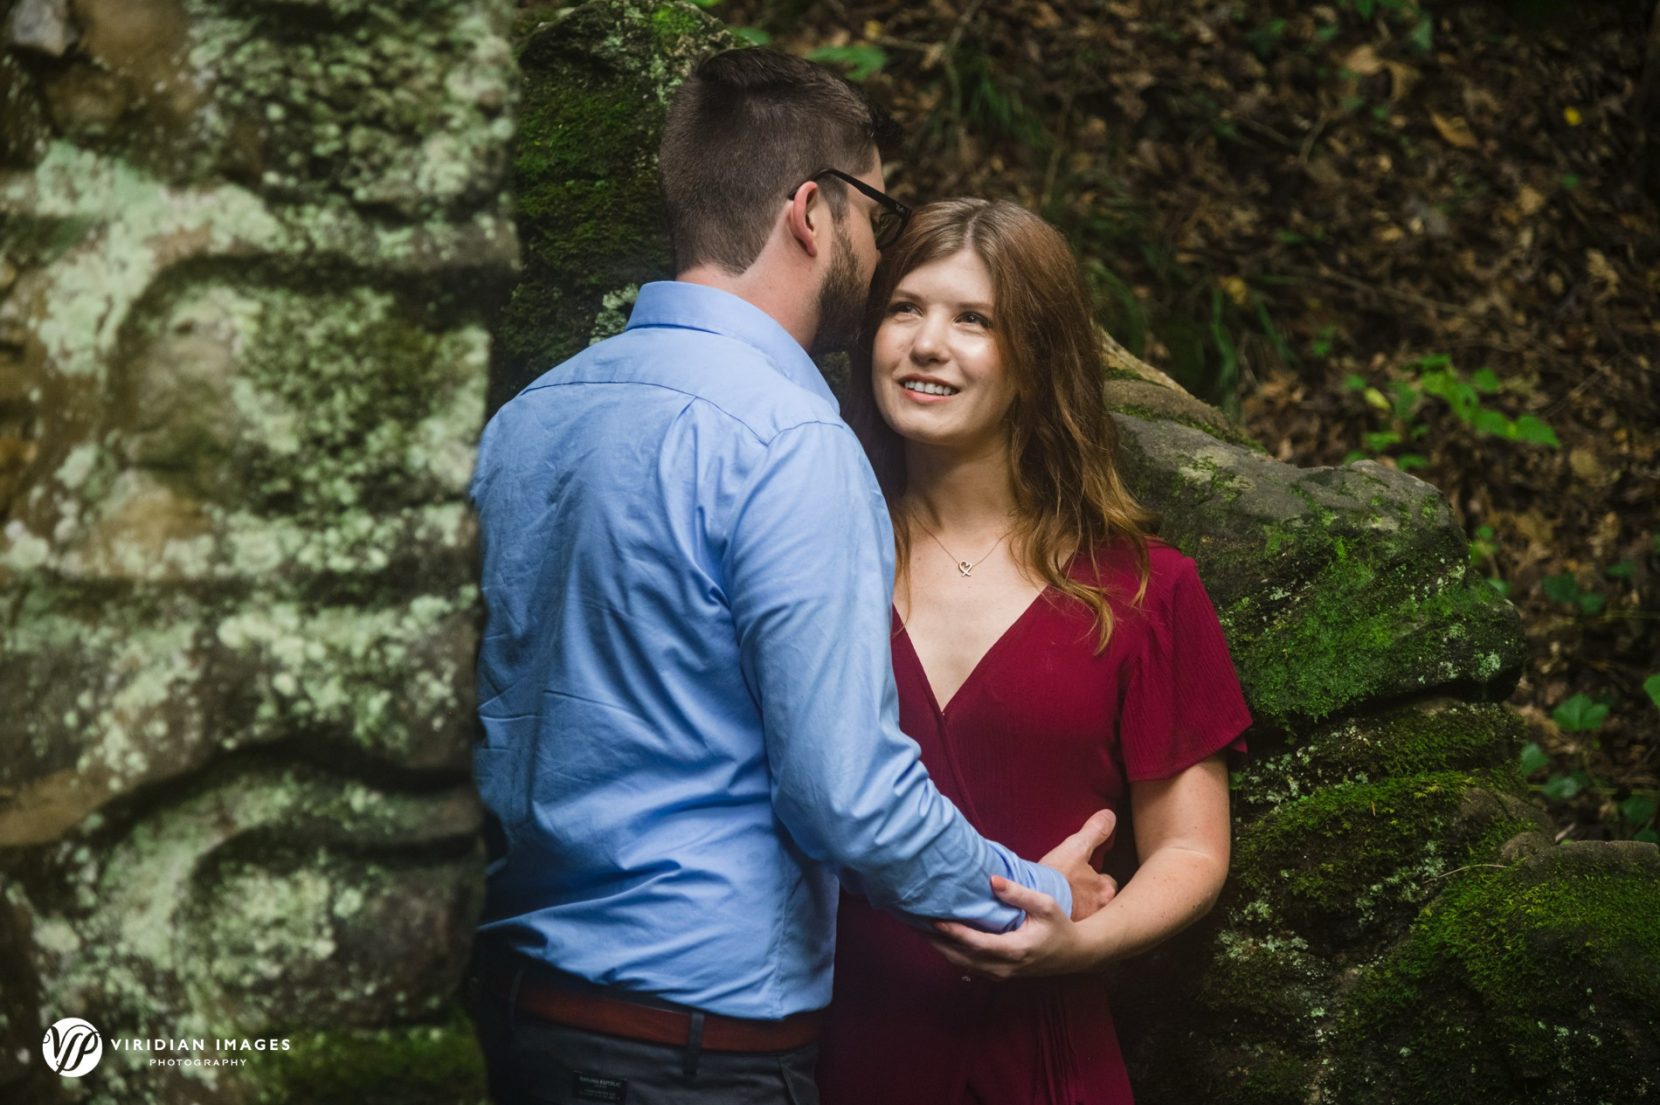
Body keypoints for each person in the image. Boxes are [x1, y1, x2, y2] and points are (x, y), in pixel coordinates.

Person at [464, 52, 1117, 1105]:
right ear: (812, 213)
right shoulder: (789, 443)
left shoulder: (527, 417)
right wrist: (1039, 892)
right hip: (688, 1048)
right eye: (875, 210)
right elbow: (844, 793)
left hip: (508, 1013)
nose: (878, 240)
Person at [817, 198, 1253, 1105]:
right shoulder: (814, 556)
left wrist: (1077, 943)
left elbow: (1191, 849)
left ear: (1038, 359)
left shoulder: (1143, 589)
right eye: (905, 308)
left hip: (1047, 1049)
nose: (926, 344)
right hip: (837, 1043)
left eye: (973, 319)